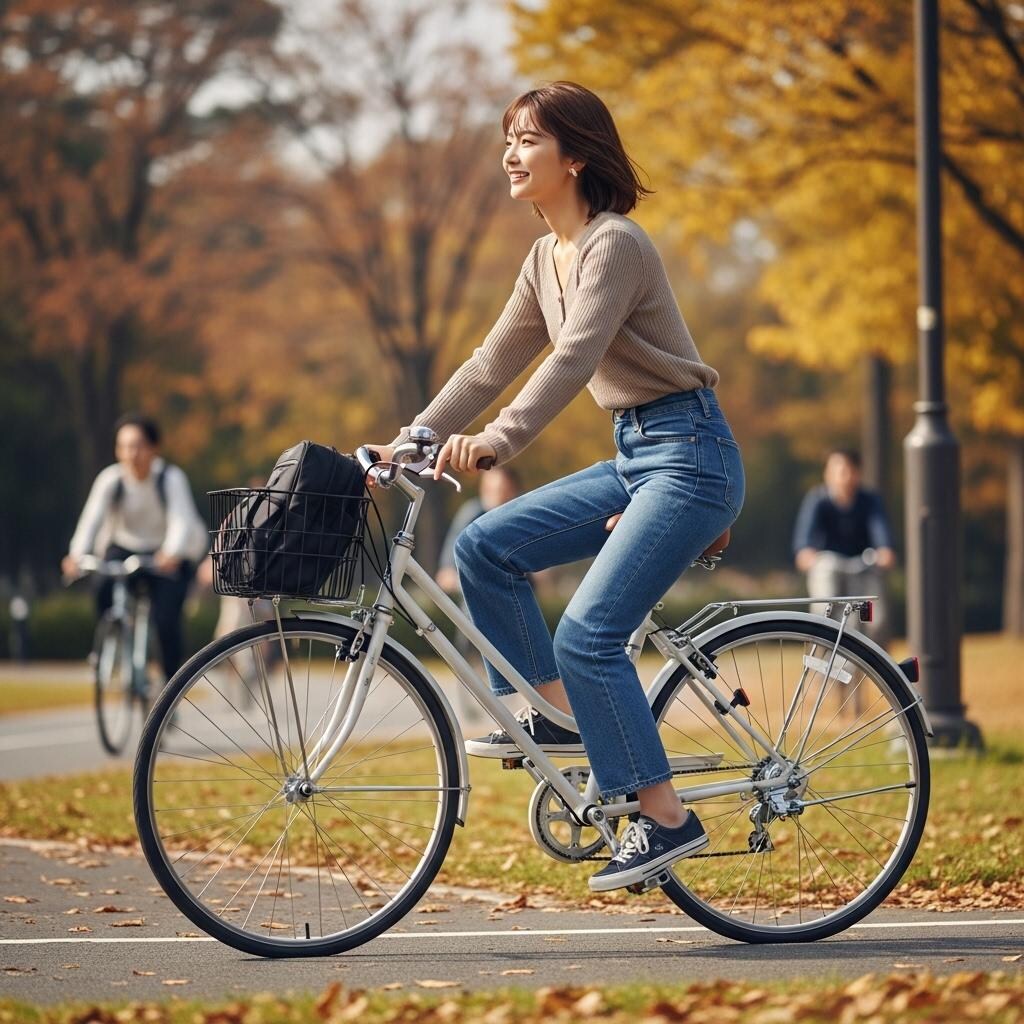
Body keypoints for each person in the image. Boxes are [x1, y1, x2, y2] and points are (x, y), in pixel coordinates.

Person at [362, 81, 744, 893]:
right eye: (509, 138)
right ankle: (555, 715)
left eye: (528, 140)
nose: (510, 153)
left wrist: (499, 440)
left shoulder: (616, 245)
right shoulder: (545, 257)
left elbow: (571, 358)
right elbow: (488, 363)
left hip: (691, 456)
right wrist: (411, 439)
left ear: (574, 156)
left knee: (588, 632)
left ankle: (666, 819)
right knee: (484, 546)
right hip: (635, 452)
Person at [62, 413, 209, 682]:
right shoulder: (111, 480)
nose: (132, 453)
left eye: (138, 445)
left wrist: (171, 553)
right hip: (125, 546)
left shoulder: (170, 478)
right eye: (124, 446)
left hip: (166, 555)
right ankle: (112, 638)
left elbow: (181, 520)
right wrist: (76, 555)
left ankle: (171, 683)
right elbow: (91, 519)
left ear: (154, 448)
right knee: (102, 586)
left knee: (166, 620)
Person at [435, 466, 524, 724]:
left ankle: (522, 706)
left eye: (503, 490)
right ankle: (471, 707)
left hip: (513, 598)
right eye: (492, 490)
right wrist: (448, 570)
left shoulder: (519, 512)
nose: (497, 496)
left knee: (517, 653)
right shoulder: (473, 512)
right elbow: (453, 548)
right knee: (467, 652)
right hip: (474, 601)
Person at [792, 448, 896, 643]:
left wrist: (884, 552)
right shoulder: (817, 501)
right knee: (824, 611)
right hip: (830, 569)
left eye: (848, 470)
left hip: (862, 568)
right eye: (837, 471)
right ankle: (820, 655)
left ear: (858, 473)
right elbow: (803, 549)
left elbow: (883, 542)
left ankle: (876, 666)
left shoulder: (870, 501)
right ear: (827, 474)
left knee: (877, 622)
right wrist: (811, 557)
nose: (843, 477)